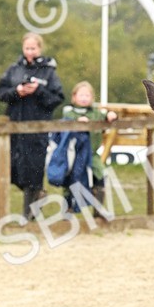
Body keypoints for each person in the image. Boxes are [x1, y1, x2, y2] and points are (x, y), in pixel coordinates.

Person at [0, 33, 64, 218]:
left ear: (40, 49)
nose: (30, 52)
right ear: (23, 48)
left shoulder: (48, 72)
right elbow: (0, 93)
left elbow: (57, 98)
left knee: (34, 172)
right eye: (27, 48)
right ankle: (38, 198)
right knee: (14, 170)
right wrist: (17, 91)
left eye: (33, 48)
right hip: (15, 128)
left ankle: (28, 214)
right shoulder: (13, 70)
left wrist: (39, 91)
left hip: (37, 130)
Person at [49, 81, 117, 210]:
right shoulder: (69, 112)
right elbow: (66, 122)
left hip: (91, 154)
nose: (84, 98)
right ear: (74, 97)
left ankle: (98, 209)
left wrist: (111, 115)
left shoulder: (96, 113)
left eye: (87, 95)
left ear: (92, 98)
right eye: (81, 95)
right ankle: (67, 208)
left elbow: (108, 116)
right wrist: (77, 122)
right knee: (70, 180)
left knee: (101, 175)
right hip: (73, 154)